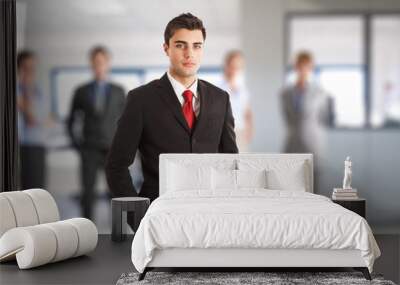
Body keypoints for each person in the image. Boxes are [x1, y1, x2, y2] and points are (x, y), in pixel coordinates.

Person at [105, 13, 238, 203]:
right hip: (159, 211)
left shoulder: (220, 99)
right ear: (166, 48)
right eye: (180, 45)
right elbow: (116, 166)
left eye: (196, 46)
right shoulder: (141, 99)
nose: (189, 53)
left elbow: (231, 163)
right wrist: (139, 217)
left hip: (210, 212)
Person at [67, 46, 125, 219]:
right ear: (91, 64)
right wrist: (77, 144)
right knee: (88, 193)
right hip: (89, 148)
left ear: (108, 64)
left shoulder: (118, 91)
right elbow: (71, 121)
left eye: (102, 62)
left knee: (114, 192)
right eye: (96, 62)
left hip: (112, 149)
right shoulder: (81, 91)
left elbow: (127, 122)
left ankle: (118, 233)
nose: (99, 66)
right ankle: (87, 231)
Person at [281, 51, 334, 160]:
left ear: (311, 68)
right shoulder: (285, 94)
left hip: (313, 144)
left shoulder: (319, 93)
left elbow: (323, 118)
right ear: (296, 67)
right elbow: (287, 119)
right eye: (300, 66)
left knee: (314, 176)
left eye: (306, 67)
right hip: (292, 145)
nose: (303, 70)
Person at [17, 50, 51, 189]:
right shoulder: (13, 90)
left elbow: (38, 118)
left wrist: (23, 103)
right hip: (17, 147)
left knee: (35, 191)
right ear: (19, 69)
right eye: (26, 68)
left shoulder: (39, 92)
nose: (30, 72)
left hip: (35, 147)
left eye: (32, 68)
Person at [218, 50, 253, 152]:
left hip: (241, 133)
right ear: (227, 66)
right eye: (233, 66)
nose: (235, 69)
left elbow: (247, 112)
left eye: (239, 66)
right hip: (224, 133)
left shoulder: (243, 90)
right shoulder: (218, 88)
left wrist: (250, 129)